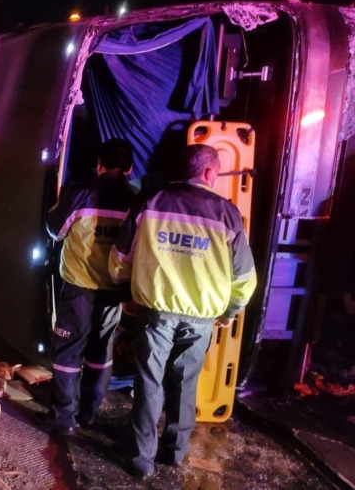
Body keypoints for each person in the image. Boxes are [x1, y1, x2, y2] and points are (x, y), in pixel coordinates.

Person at [108, 144, 257, 480]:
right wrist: (230, 310)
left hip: (155, 312)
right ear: (207, 173)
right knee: (185, 382)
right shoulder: (227, 213)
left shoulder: (151, 201)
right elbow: (245, 278)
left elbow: (120, 257)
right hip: (201, 317)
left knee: (149, 382)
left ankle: (141, 459)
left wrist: (124, 292)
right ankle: (174, 452)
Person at [43, 138, 137, 436]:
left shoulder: (80, 192)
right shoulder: (136, 200)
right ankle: (88, 414)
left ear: (99, 164)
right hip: (114, 289)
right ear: (130, 169)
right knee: (101, 351)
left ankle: (63, 417)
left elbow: (54, 231)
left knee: (69, 350)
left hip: (78, 286)